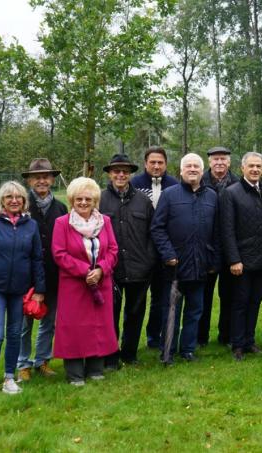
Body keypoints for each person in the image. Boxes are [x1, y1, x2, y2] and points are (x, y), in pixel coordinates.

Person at [0, 181, 45, 395]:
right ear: (1, 200)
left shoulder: (30, 225)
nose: (14, 200)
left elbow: (37, 258)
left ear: (24, 200)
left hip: (20, 291)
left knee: (14, 334)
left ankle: (10, 378)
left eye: (18, 197)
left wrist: (39, 289)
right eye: (9, 197)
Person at [151, 153, 221, 364]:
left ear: (202, 171)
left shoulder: (212, 196)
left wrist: (213, 261)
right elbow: (157, 228)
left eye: (196, 167)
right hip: (175, 267)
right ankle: (167, 352)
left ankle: (188, 350)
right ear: (181, 171)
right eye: (188, 166)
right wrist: (168, 254)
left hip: (201, 266)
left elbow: (217, 232)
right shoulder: (170, 195)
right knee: (172, 311)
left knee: (195, 311)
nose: (192, 169)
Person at [52, 177, 119, 385]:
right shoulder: (62, 223)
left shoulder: (105, 222)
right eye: (79, 199)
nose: (83, 203)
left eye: (87, 199)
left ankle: (95, 368)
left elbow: (113, 250)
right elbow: (59, 253)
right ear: (72, 200)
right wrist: (85, 270)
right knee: (73, 327)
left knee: (98, 326)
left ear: (95, 200)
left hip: (101, 283)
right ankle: (74, 373)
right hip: (74, 285)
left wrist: (101, 269)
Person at [220, 151, 262, 361]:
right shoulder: (231, 193)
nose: (255, 169)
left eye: (259, 166)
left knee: (255, 301)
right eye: (251, 166)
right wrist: (234, 260)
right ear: (242, 168)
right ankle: (237, 345)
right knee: (240, 303)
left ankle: (249, 341)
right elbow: (226, 230)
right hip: (242, 262)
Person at [99, 154, 158, 367]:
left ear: (130, 174)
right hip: (110, 269)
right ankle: (110, 355)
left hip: (139, 268)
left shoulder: (143, 200)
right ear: (109, 174)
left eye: (125, 171)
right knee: (109, 315)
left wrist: (149, 260)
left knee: (134, 313)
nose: (121, 175)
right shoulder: (100, 199)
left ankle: (130, 354)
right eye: (116, 171)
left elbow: (154, 233)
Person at [16, 159, 68, 383]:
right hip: (25, 276)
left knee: (50, 321)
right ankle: (22, 364)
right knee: (24, 324)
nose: (42, 180)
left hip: (55, 275)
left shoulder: (61, 208)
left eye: (46, 176)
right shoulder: (21, 206)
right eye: (37, 177)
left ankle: (43, 361)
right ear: (29, 180)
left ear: (52, 179)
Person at [131, 145, 178, 349]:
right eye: (153, 162)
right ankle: (128, 341)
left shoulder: (174, 185)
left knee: (161, 298)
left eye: (160, 162)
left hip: (165, 252)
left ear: (166, 164)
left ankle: (154, 336)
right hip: (140, 249)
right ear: (145, 163)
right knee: (137, 299)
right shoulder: (135, 184)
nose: (156, 166)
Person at [198, 146, 240, 346]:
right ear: (209, 162)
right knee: (203, 295)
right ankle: (200, 337)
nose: (219, 163)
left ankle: (227, 335)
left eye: (223, 159)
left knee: (229, 295)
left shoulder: (237, 183)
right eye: (215, 159)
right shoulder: (200, 182)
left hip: (231, 248)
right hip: (206, 247)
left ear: (229, 162)